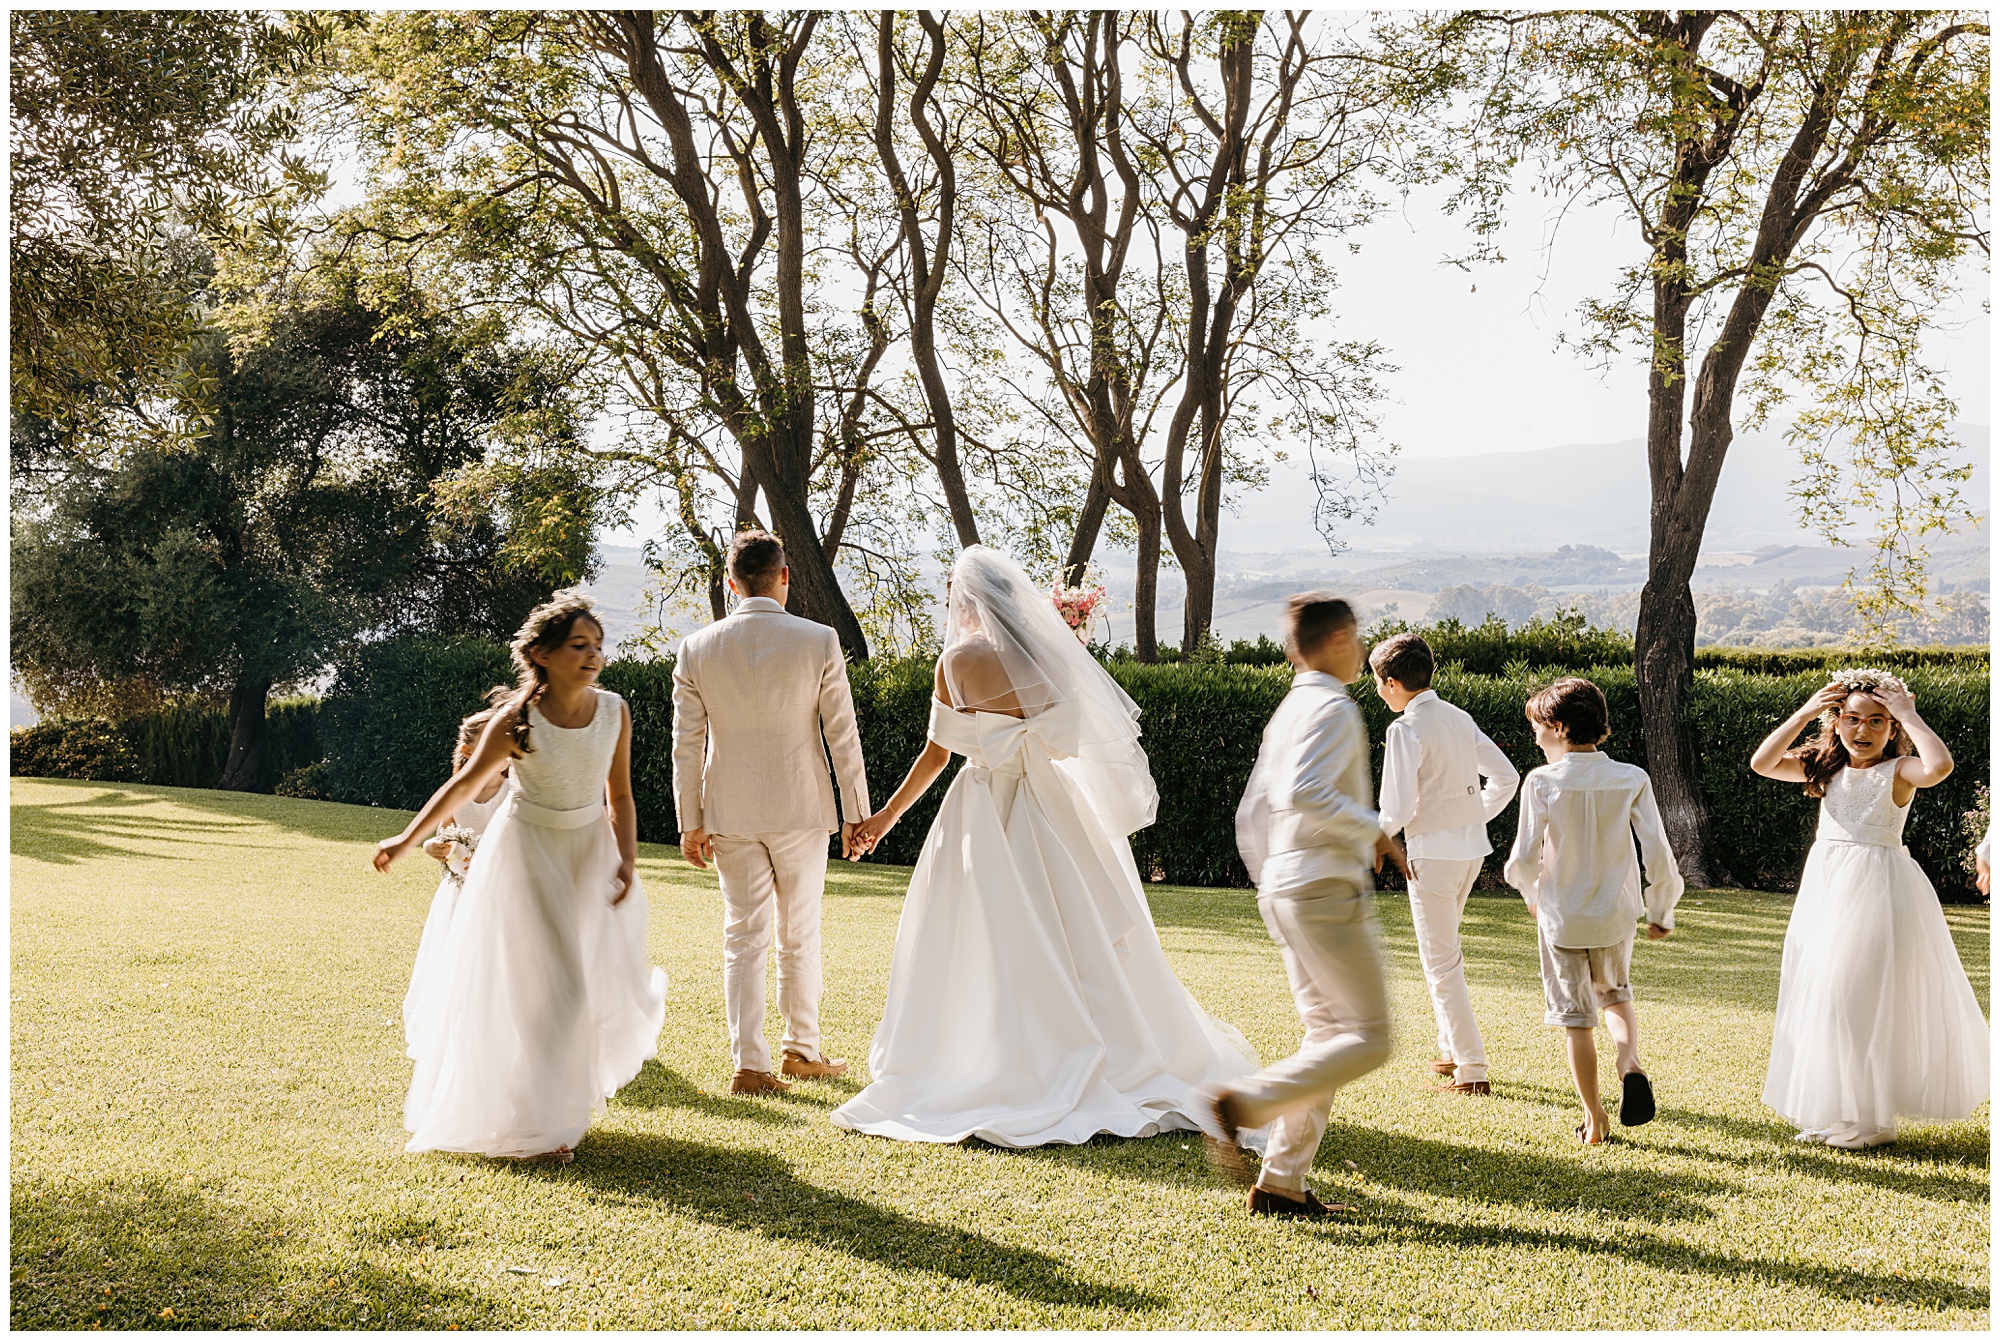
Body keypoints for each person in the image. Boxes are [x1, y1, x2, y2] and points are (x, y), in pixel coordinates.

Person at [832, 546, 1258, 1147]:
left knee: (981, 929)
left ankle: (993, 1054)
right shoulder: (1051, 657)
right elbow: (1068, 740)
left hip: (985, 803)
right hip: (1053, 806)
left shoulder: (957, 660)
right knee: (1076, 924)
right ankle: (1114, 1049)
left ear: (967, 600)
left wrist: (884, 818)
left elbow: (937, 753)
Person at [373, 594, 666, 1163]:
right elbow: (461, 789)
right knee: (558, 989)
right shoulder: (517, 721)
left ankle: (544, 1113)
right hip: (529, 852)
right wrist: (406, 840)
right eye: (579, 646)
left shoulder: (615, 712)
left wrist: (626, 860)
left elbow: (622, 795)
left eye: (598, 645)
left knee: (590, 985)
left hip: (589, 852)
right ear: (541, 653)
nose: (593, 656)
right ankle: (539, 1128)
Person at [1206, 593, 1399, 1218]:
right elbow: (1302, 790)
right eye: (1359, 636)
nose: (1363, 647)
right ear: (1341, 638)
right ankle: (1249, 1102)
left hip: (1288, 884)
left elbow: (1255, 809)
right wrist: (1369, 827)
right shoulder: (1334, 707)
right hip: (1321, 886)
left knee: (1326, 1037)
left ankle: (1282, 1183)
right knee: (1369, 1039)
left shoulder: (1290, 707)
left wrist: (1274, 879)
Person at [1748, 671, 1988, 1150]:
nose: (1863, 730)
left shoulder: (1898, 772)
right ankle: (1844, 1112)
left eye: (1876, 722)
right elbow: (1762, 762)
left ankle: (1874, 1121)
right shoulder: (1825, 769)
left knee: (1857, 998)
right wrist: (1805, 712)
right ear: (1836, 722)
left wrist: (1908, 713)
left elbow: (1938, 766)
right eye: (1852, 719)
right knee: (1828, 999)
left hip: (1877, 891)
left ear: (1891, 728)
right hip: (1827, 890)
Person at [672, 530, 871, 1095]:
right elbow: (843, 735)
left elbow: (686, 744)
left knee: (743, 936)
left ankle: (749, 1065)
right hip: (802, 807)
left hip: (728, 809)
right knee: (799, 934)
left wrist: (692, 821)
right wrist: (856, 812)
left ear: (730, 584)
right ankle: (801, 1050)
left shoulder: (697, 648)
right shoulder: (820, 640)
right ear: (785, 576)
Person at [1504, 677, 1681, 1146]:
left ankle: (1595, 1118)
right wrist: (1661, 907)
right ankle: (1630, 1064)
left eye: (1539, 729)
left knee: (1575, 1017)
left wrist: (1530, 897)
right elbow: (1658, 853)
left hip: (1562, 916)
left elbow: (1523, 860)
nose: (1536, 739)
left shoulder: (1541, 782)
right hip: (1615, 914)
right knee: (1615, 993)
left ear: (1559, 727)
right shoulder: (1631, 778)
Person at [1370, 632, 1520, 1096]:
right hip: (1470, 852)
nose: (1377, 691)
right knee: (1444, 953)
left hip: (1430, 856)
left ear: (1392, 683)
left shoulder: (1405, 729)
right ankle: (1451, 1049)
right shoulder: (1459, 717)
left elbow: (1394, 807)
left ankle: (1472, 1069)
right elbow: (1507, 777)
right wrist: (1474, 814)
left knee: (1441, 962)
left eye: (1377, 683)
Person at [402, 707, 511, 1062]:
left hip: (502, 893)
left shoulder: (516, 790)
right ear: (467, 752)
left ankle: (499, 1032)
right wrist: (434, 847)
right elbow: (439, 836)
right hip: (460, 889)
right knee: (457, 961)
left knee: (498, 962)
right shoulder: (455, 791)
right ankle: (459, 1032)